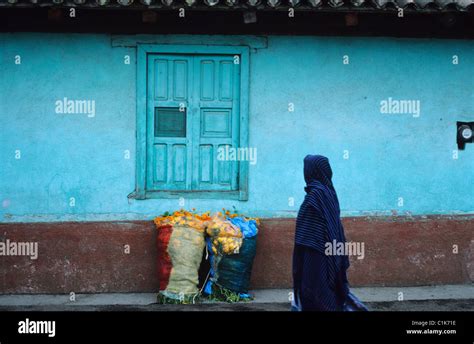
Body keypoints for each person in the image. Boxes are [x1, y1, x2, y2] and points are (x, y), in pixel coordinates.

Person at [292, 154, 368, 311]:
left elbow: (311, 231)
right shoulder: (328, 192)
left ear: (311, 171)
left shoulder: (315, 195)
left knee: (316, 295)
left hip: (315, 256)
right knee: (327, 295)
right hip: (329, 253)